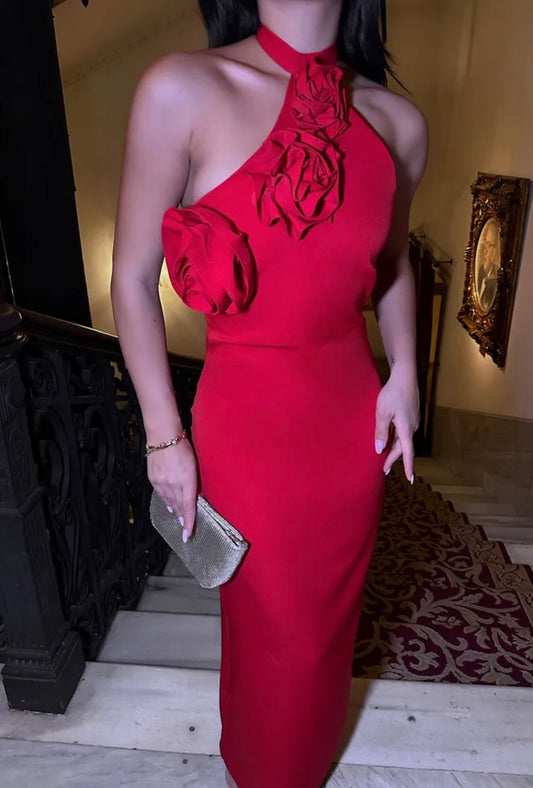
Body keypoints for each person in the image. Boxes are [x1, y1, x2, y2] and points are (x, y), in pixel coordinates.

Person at [111, 1, 427, 785]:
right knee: (271, 627)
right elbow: (131, 279)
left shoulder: (397, 123)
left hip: (348, 425)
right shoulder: (181, 88)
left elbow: (392, 266)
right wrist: (163, 438)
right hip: (246, 424)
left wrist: (404, 372)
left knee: (322, 636)